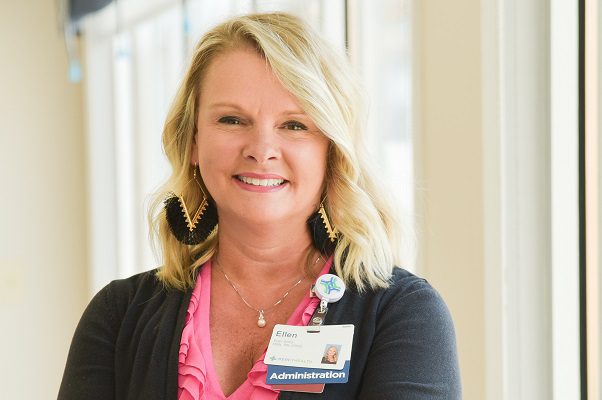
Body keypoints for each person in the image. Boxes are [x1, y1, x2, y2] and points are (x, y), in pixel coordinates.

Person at [58, 12, 461, 400]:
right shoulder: (116, 317)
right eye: (232, 120)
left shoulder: (404, 316)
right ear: (193, 141)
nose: (261, 150)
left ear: (332, 152)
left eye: (294, 125)